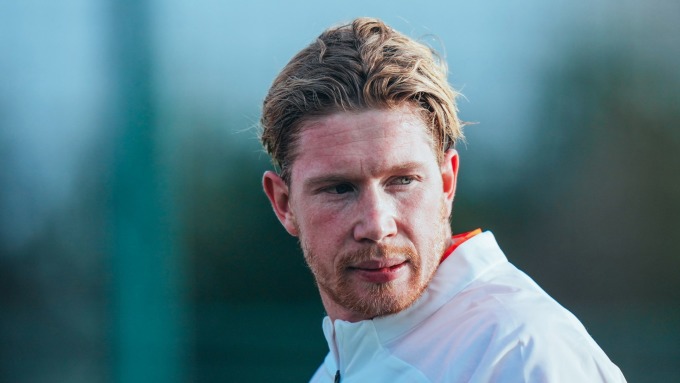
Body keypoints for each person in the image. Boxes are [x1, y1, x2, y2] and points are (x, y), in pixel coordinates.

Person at [260, 17, 626, 382]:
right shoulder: (338, 367)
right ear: (284, 204)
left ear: (447, 183)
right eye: (340, 188)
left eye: (403, 180)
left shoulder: (518, 353)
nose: (376, 225)